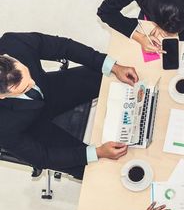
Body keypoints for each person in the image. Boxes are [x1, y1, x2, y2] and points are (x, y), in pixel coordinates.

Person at [0, 32, 138, 179]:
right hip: (30, 128)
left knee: (111, 76)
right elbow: (43, 157)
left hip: (50, 89)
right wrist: (97, 152)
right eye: (25, 88)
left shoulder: (13, 43)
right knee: (102, 172)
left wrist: (113, 67)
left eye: (28, 76)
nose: (32, 83)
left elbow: (64, 47)